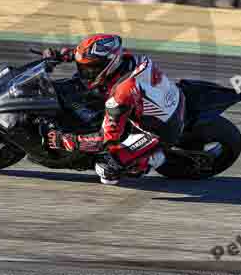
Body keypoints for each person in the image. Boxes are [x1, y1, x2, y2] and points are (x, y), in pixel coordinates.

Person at [41, 34, 185, 185]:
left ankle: (151, 160)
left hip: (159, 129)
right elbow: (88, 56)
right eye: (83, 67)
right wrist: (63, 55)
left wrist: (66, 141)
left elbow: (105, 140)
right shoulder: (124, 57)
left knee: (106, 170)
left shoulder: (122, 93)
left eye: (90, 68)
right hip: (167, 98)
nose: (85, 71)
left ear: (108, 64)